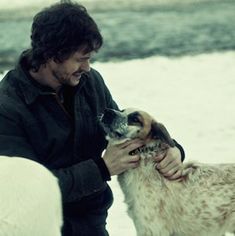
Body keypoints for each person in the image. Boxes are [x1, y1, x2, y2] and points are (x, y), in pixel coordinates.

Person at [0, 2, 185, 236]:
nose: (87, 67)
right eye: (80, 59)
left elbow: (126, 137)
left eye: (89, 58)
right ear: (52, 55)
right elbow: (26, 193)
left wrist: (172, 150)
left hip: (93, 225)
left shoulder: (89, 83)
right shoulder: (7, 107)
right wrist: (102, 169)